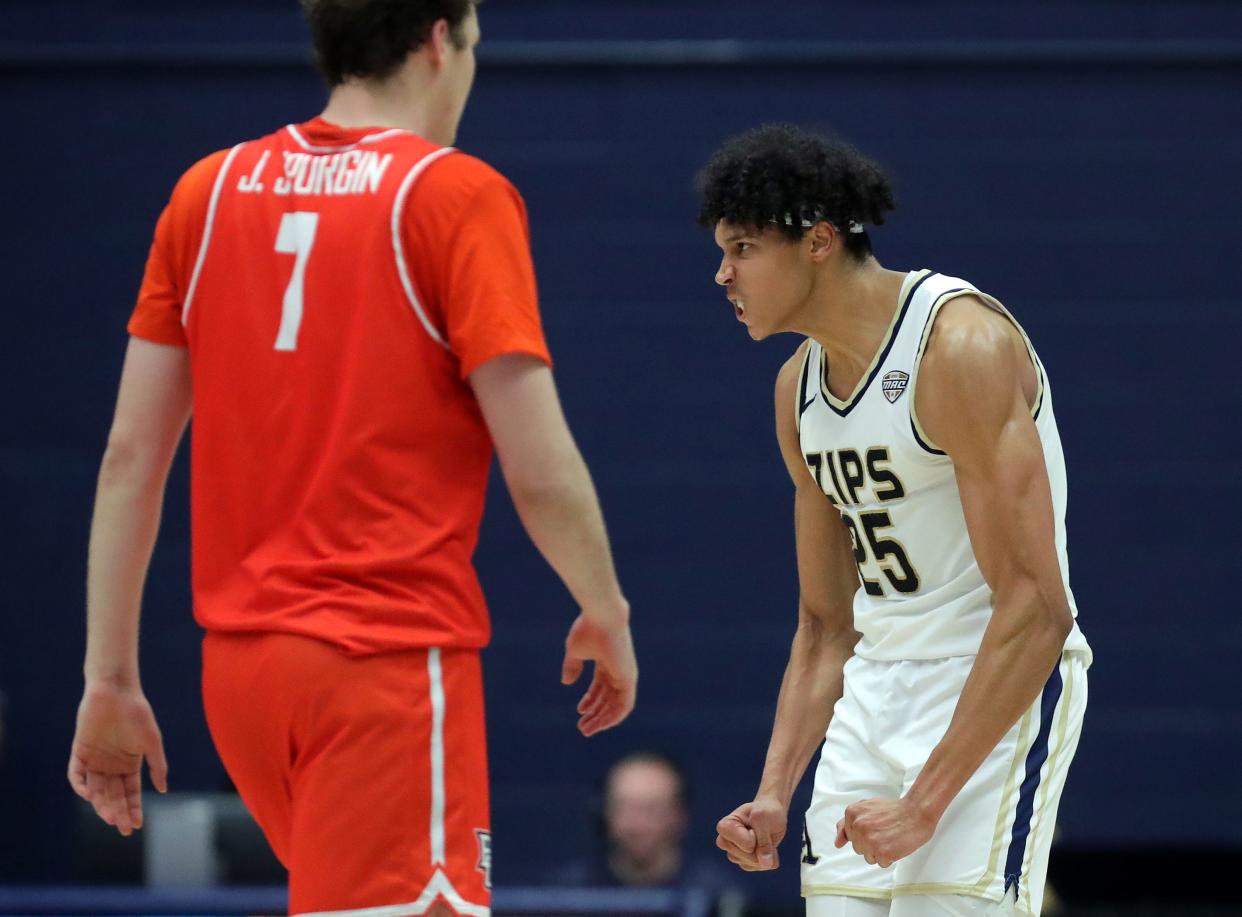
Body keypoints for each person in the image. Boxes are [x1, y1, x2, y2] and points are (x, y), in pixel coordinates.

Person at [66, 3, 638, 915]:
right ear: (438, 40)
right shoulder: (454, 193)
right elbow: (538, 464)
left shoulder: (205, 191)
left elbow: (129, 458)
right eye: (477, 46)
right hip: (383, 669)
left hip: (242, 679)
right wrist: (603, 603)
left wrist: (109, 677)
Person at [700, 124, 1091, 917]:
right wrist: (775, 789)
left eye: (742, 248)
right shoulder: (795, 391)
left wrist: (926, 799)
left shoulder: (961, 346)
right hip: (874, 692)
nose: (723, 273)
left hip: (989, 681)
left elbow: (1037, 607)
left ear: (815, 241)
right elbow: (824, 625)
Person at [555, 751, 738, 900]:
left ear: (678, 815)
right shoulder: (568, 895)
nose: (637, 824)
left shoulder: (715, 895)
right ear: (605, 813)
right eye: (625, 808)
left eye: (651, 809)